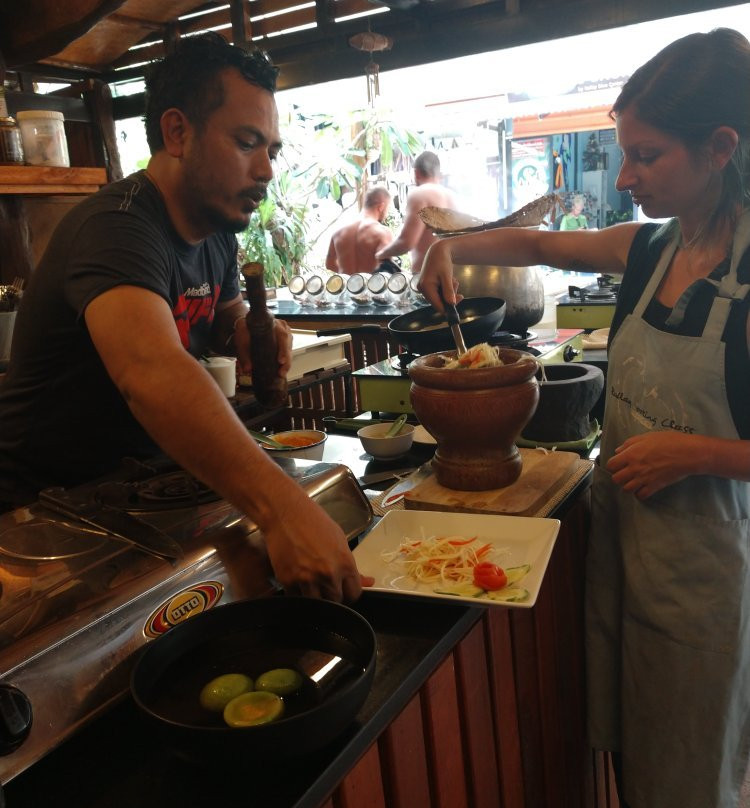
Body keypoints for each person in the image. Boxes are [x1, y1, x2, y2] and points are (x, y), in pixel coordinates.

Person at [417, 28, 750, 808]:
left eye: (647, 155)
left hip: (702, 574)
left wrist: (697, 453)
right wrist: (450, 250)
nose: (626, 175)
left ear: (720, 147)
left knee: (689, 774)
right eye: (623, 152)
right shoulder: (650, 250)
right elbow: (538, 241)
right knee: (634, 754)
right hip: (622, 550)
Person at [0, 33, 371, 603]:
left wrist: (246, 324)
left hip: (145, 492)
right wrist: (282, 509)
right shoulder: (118, 228)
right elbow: (152, 372)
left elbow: (220, 310)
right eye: (248, 142)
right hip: (44, 520)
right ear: (177, 132)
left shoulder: (214, 230)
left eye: (272, 148)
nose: (267, 169)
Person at [375, 150, 456, 274]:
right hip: (453, 276)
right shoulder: (452, 197)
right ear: (438, 173)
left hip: (427, 279)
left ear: (416, 173)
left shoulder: (420, 195)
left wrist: (381, 254)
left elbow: (406, 243)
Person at [325, 186, 393, 275]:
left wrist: (349, 276)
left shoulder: (338, 232)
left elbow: (329, 264)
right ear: (381, 206)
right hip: (371, 287)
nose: (386, 214)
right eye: (387, 208)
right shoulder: (383, 232)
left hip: (346, 287)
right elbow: (388, 267)